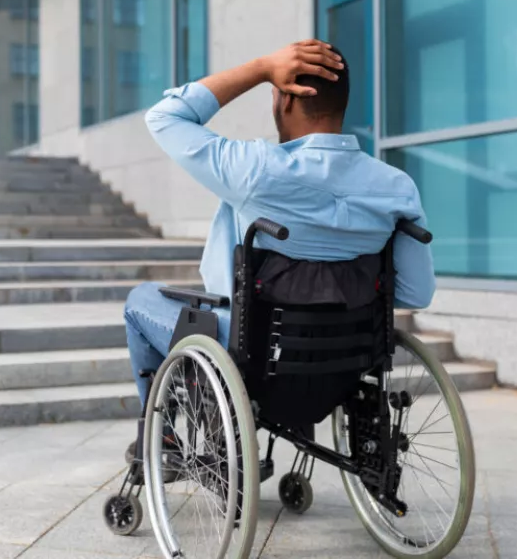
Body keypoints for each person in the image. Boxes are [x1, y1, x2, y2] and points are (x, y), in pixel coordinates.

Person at [122, 40, 436, 462]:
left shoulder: (255, 169)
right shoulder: (396, 188)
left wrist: (260, 67)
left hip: (253, 353)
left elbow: (165, 117)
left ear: (286, 97)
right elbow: (416, 294)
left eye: (274, 88)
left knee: (140, 301)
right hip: (347, 360)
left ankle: (162, 438)